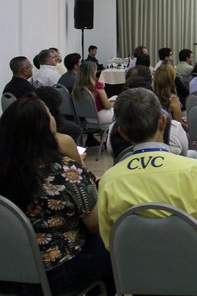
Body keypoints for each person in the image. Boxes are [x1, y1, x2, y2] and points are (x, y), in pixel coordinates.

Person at [97, 88, 197, 294]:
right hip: (194, 277)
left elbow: (110, 242)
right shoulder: (195, 171)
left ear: (122, 132)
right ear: (162, 122)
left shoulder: (109, 180)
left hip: (140, 280)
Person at [0, 95, 115, 295]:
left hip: (9, 269)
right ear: (44, 128)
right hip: (55, 273)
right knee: (111, 244)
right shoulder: (65, 173)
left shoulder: (6, 167)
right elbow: (95, 225)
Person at [72, 60, 113, 125]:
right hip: (101, 117)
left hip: (88, 118)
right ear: (93, 71)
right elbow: (107, 105)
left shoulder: (77, 87)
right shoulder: (97, 86)